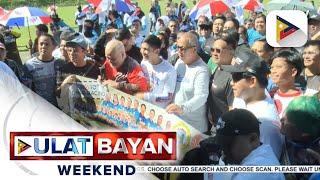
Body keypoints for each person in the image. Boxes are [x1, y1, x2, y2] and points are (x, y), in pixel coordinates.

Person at [223, 51, 284, 159]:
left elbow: (267, 167)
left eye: (236, 77)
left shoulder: (266, 124)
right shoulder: (243, 95)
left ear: (252, 81)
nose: (232, 82)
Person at [215, 109, 285, 180]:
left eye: (228, 144)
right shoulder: (263, 152)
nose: (223, 150)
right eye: (221, 143)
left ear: (253, 139)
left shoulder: (251, 174)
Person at [166, 32, 210, 133]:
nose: (179, 52)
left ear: (194, 49)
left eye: (183, 49)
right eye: (177, 48)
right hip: (177, 124)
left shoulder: (201, 70)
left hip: (194, 129)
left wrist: (182, 108)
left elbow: (201, 96)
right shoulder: (180, 63)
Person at [281, 95, 320, 179]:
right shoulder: (295, 134)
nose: (281, 120)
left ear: (304, 133)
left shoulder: (308, 164)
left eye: (285, 121)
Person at [136, 35, 177, 108]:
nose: (142, 51)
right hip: (142, 106)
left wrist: (145, 96)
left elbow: (167, 97)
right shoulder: (144, 63)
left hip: (157, 112)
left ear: (157, 51)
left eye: (146, 49)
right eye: (141, 48)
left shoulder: (170, 70)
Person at [24, 34, 62, 106]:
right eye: (41, 44)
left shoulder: (60, 63)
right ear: (37, 46)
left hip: (59, 108)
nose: (43, 46)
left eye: (47, 44)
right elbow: (26, 90)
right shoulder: (29, 65)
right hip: (40, 108)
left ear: (53, 47)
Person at [207, 36, 236, 128]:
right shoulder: (218, 68)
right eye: (212, 50)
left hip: (224, 129)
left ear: (231, 52)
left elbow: (232, 109)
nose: (214, 53)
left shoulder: (233, 76)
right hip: (213, 125)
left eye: (218, 50)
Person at [270, 50, 303, 117]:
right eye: (272, 67)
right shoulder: (270, 95)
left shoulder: (302, 101)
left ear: (293, 72)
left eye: (279, 67)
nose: (273, 71)